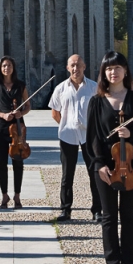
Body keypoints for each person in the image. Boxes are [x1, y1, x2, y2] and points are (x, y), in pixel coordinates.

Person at [89, 51, 133, 264]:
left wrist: (130, 133)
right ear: (103, 72)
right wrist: (100, 164)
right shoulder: (96, 101)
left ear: (125, 70)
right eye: (108, 68)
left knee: (128, 215)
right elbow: (93, 137)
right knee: (108, 216)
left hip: (132, 165)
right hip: (104, 166)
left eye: (117, 68)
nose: (112, 72)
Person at [51, 54, 99, 223]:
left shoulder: (94, 87)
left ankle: (97, 210)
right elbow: (55, 112)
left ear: (84, 66)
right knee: (67, 175)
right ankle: (65, 209)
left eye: (78, 65)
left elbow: (99, 112)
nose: (75, 68)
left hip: (89, 136)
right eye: (72, 65)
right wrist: (66, 124)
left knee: (94, 173)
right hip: (67, 135)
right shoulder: (61, 88)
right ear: (67, 67)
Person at [0, 57, 29, 209]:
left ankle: (17, 196)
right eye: (4, 66)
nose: (6, 68)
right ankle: (4, 196)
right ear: (0, 68)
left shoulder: (20, 85)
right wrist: (2, 115)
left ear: (13, 68)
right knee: (1, 163)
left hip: (18, 127)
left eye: (9, 65)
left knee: (18, 161)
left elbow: (28, 106)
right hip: (0, 128)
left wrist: (21, 113)